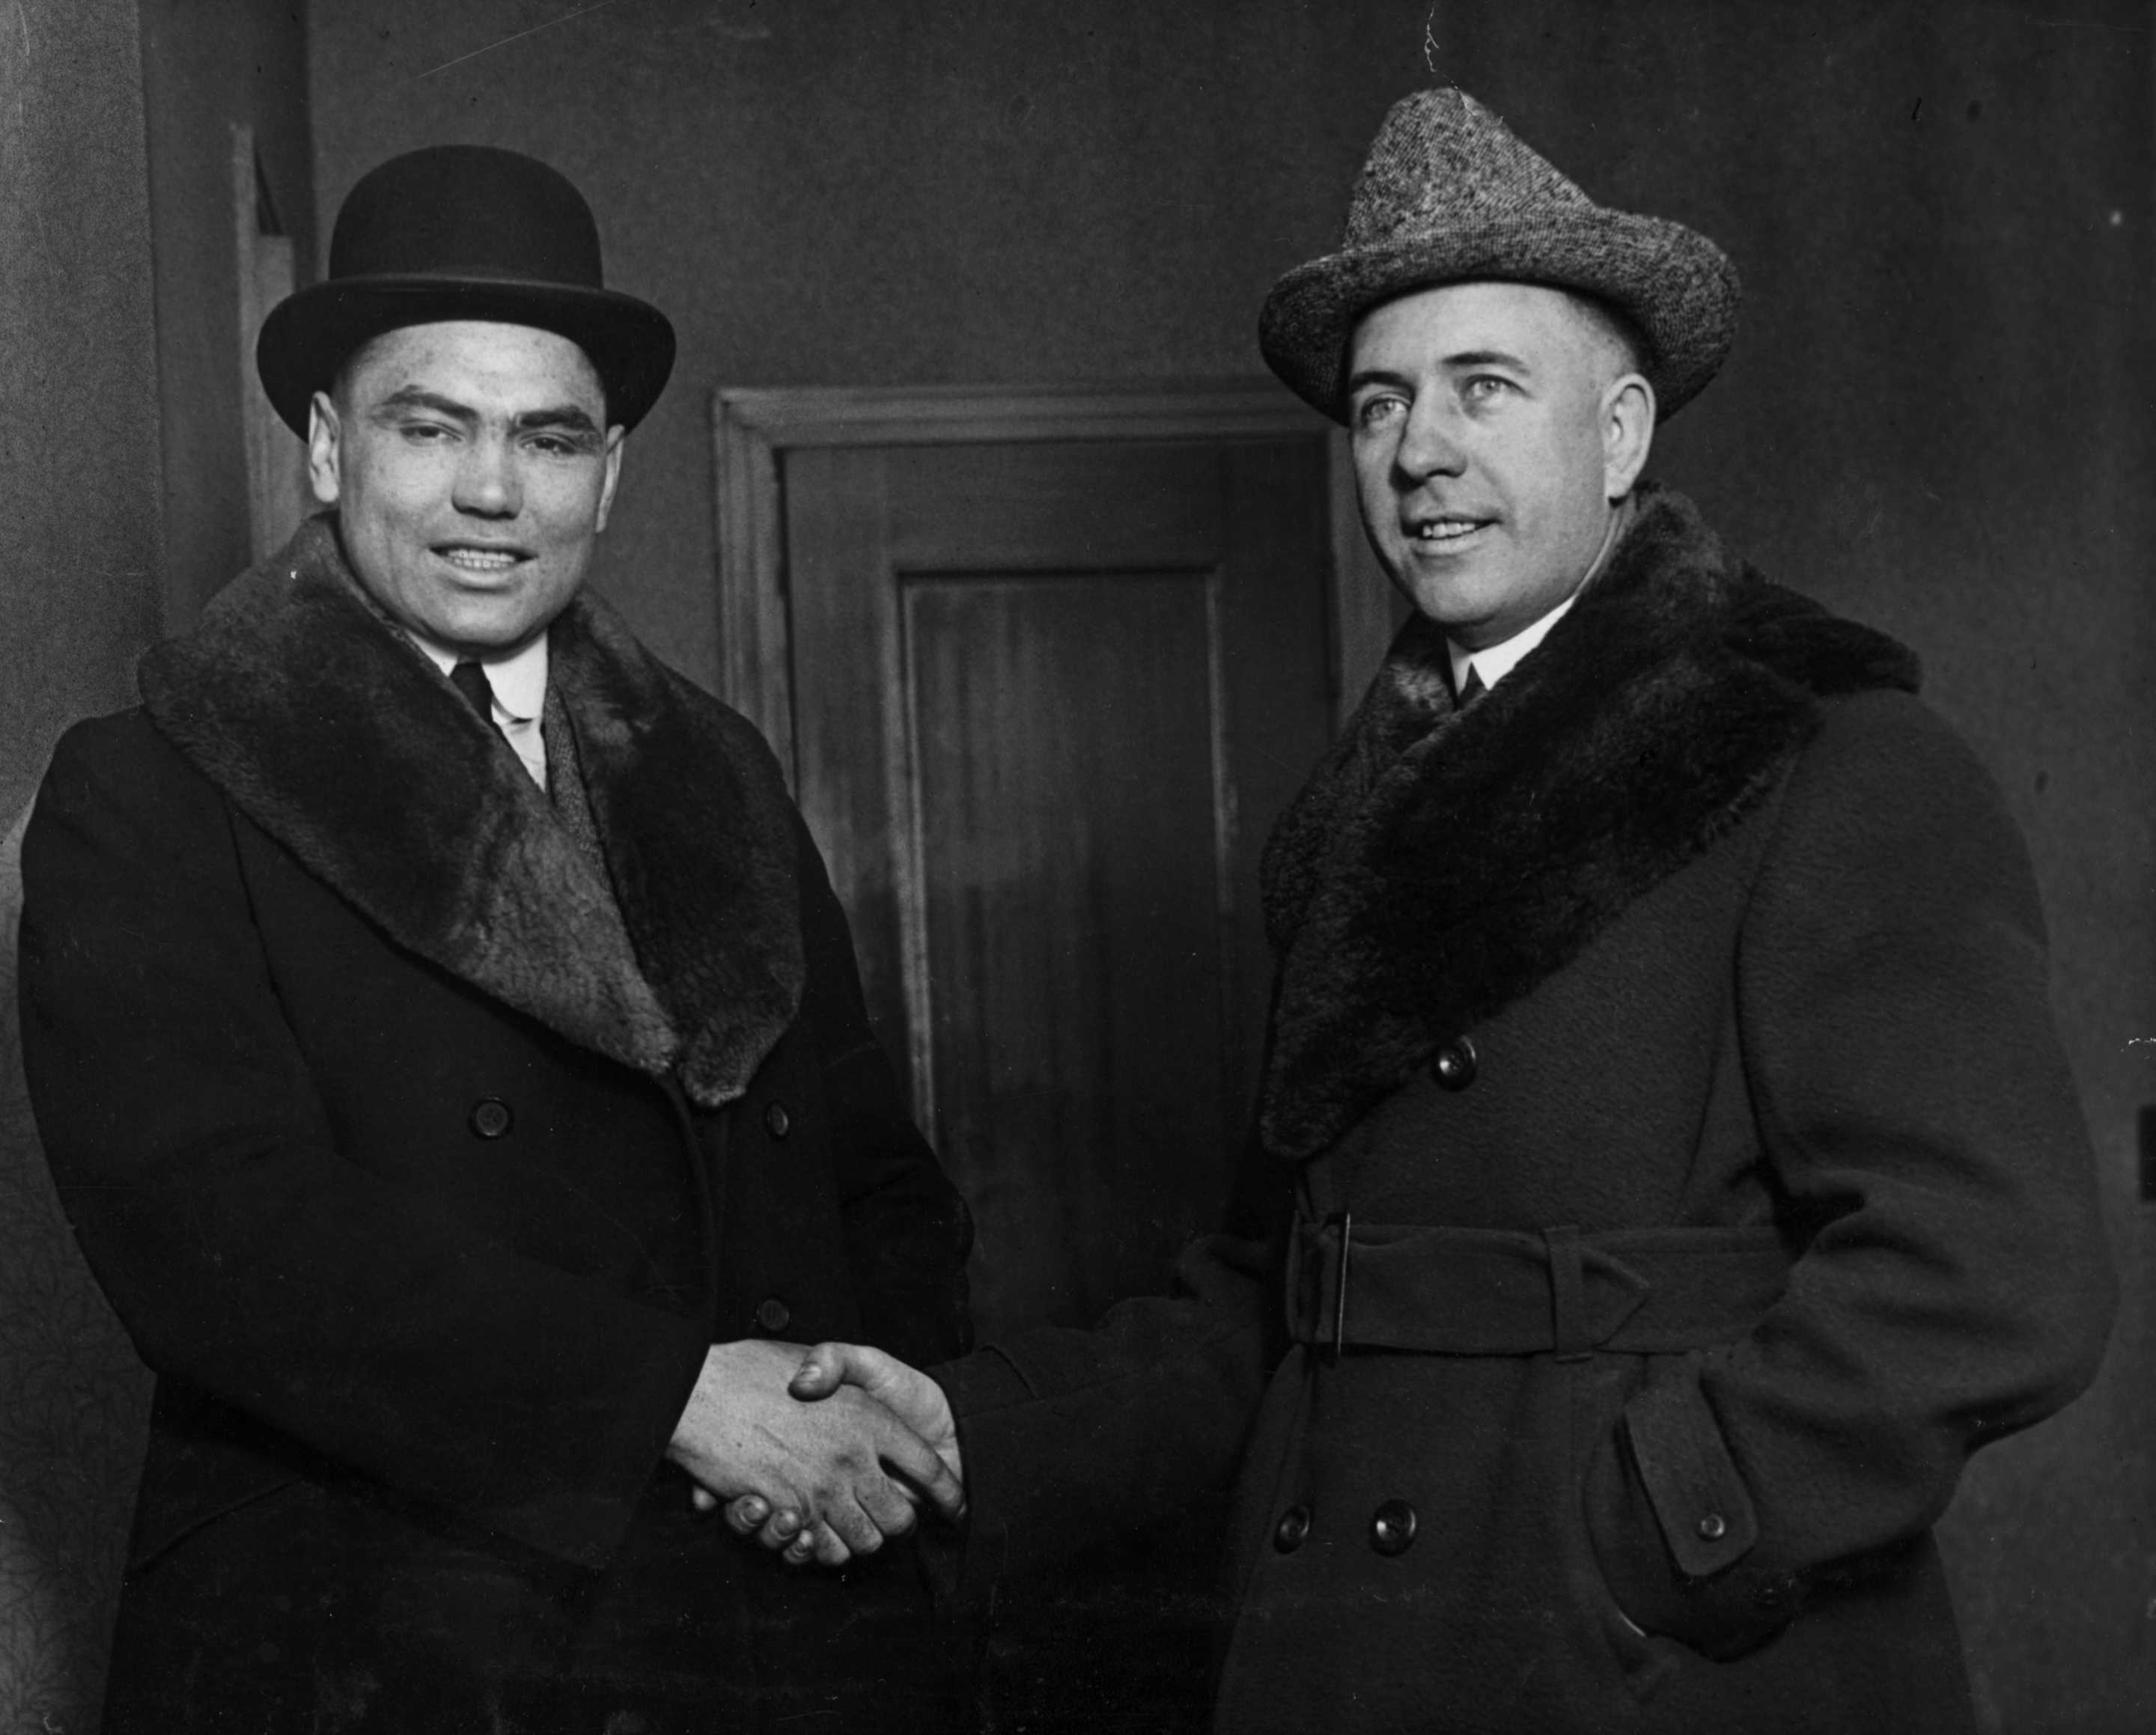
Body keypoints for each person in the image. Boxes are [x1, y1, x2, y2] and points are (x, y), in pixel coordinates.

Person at [748, 88, 2116, 1733]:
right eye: (1381, 402)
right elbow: (1289, 1290)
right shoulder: (1358, 819)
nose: (1419, 453)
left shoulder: (1822, 755)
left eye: (1484, 388)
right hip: (1362, 1635)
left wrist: (1641, 1533)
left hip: (1648, 1667)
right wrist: (976, 1428)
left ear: (1619, 436)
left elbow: (1996, 1268)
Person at [17, 145, 972, 1733]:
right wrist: (676, 1401)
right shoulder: (153, 787)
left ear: (613, 473)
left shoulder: (717, 769)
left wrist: (849, 1440)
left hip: (758, 1627)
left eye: (547, 436)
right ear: (327, 448)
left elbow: (876, 1173)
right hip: (367, 1645)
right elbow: (223, 1244)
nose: (490, 491)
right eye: (428, 426)